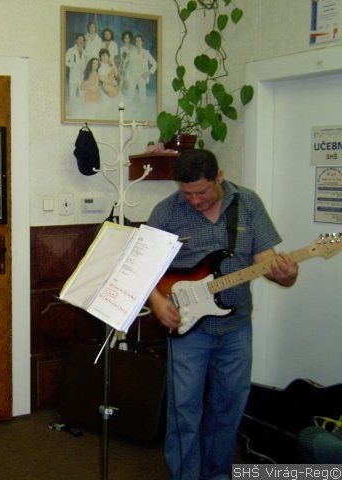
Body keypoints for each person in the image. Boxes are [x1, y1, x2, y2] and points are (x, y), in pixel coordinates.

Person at [147, 149, 298, 480]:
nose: (195, 200)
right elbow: (142, 268)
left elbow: (265, 259)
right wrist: (157, 302)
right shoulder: (167, 211)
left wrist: (284, 275)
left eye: (201, 192)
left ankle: (218, 474)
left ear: (219, 176)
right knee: (184, 409)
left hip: (236, 326)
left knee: (228, 407)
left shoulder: (248, 203)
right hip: (188, 328)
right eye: (187, 193)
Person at [126, 34, 157, 104]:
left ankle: (142, 107)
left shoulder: (146, 52)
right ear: (135, 42)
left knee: (142, 96)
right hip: (133, 75)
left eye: (139, 41)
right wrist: (127, 79)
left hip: (142, 76)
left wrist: (148, 73)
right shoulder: (131, 53)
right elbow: (129, 67)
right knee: (130, 95)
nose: (138, 42)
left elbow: (155, 64)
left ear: (142, 42)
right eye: (136, 41)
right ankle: (128, 108)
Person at [65, 33, 87, 100]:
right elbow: (65, 61)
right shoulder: (71, 50)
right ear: (76, 40)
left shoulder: (85, 52)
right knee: (72, 96)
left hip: (81, 76)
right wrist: (72, 65)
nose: (81, 41)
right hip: (73, 76)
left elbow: (86, 63)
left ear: (84, 42)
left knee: (82, 95)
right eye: (79, 39)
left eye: (82, 40)